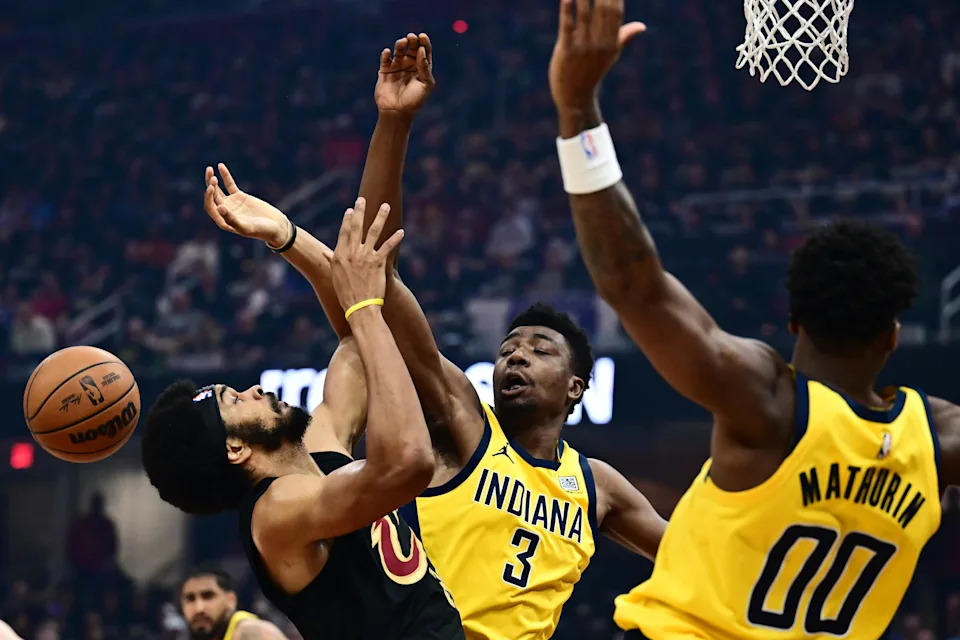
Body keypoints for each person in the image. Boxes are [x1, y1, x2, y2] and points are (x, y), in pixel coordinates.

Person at [213, 30, 666, 640]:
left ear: (576, 386)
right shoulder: (463, 418)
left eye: (539, 350)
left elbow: (686, 554)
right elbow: (377, 275)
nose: (516, 357)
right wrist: (393, 125)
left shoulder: (596, 485)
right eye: (508, 349)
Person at [547, 0, 960, 637]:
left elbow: (634, 286)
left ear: (794, 321)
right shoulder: (938, 440)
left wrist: (577, 112)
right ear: (892, 336)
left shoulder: (768, 402)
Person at [142, 189, 463, 640]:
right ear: (235, 448)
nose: (254, 389)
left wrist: (286, 236)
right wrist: (366, 309)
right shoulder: (274, 515)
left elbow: (356, 339)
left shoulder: (317, 450)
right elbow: (407, 463)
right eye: (235, 400)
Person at [180, 565, 286, 640]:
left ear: (231, 600)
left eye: (208, 596)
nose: (199, 608)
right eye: (190, 598)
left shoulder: (250, 631)